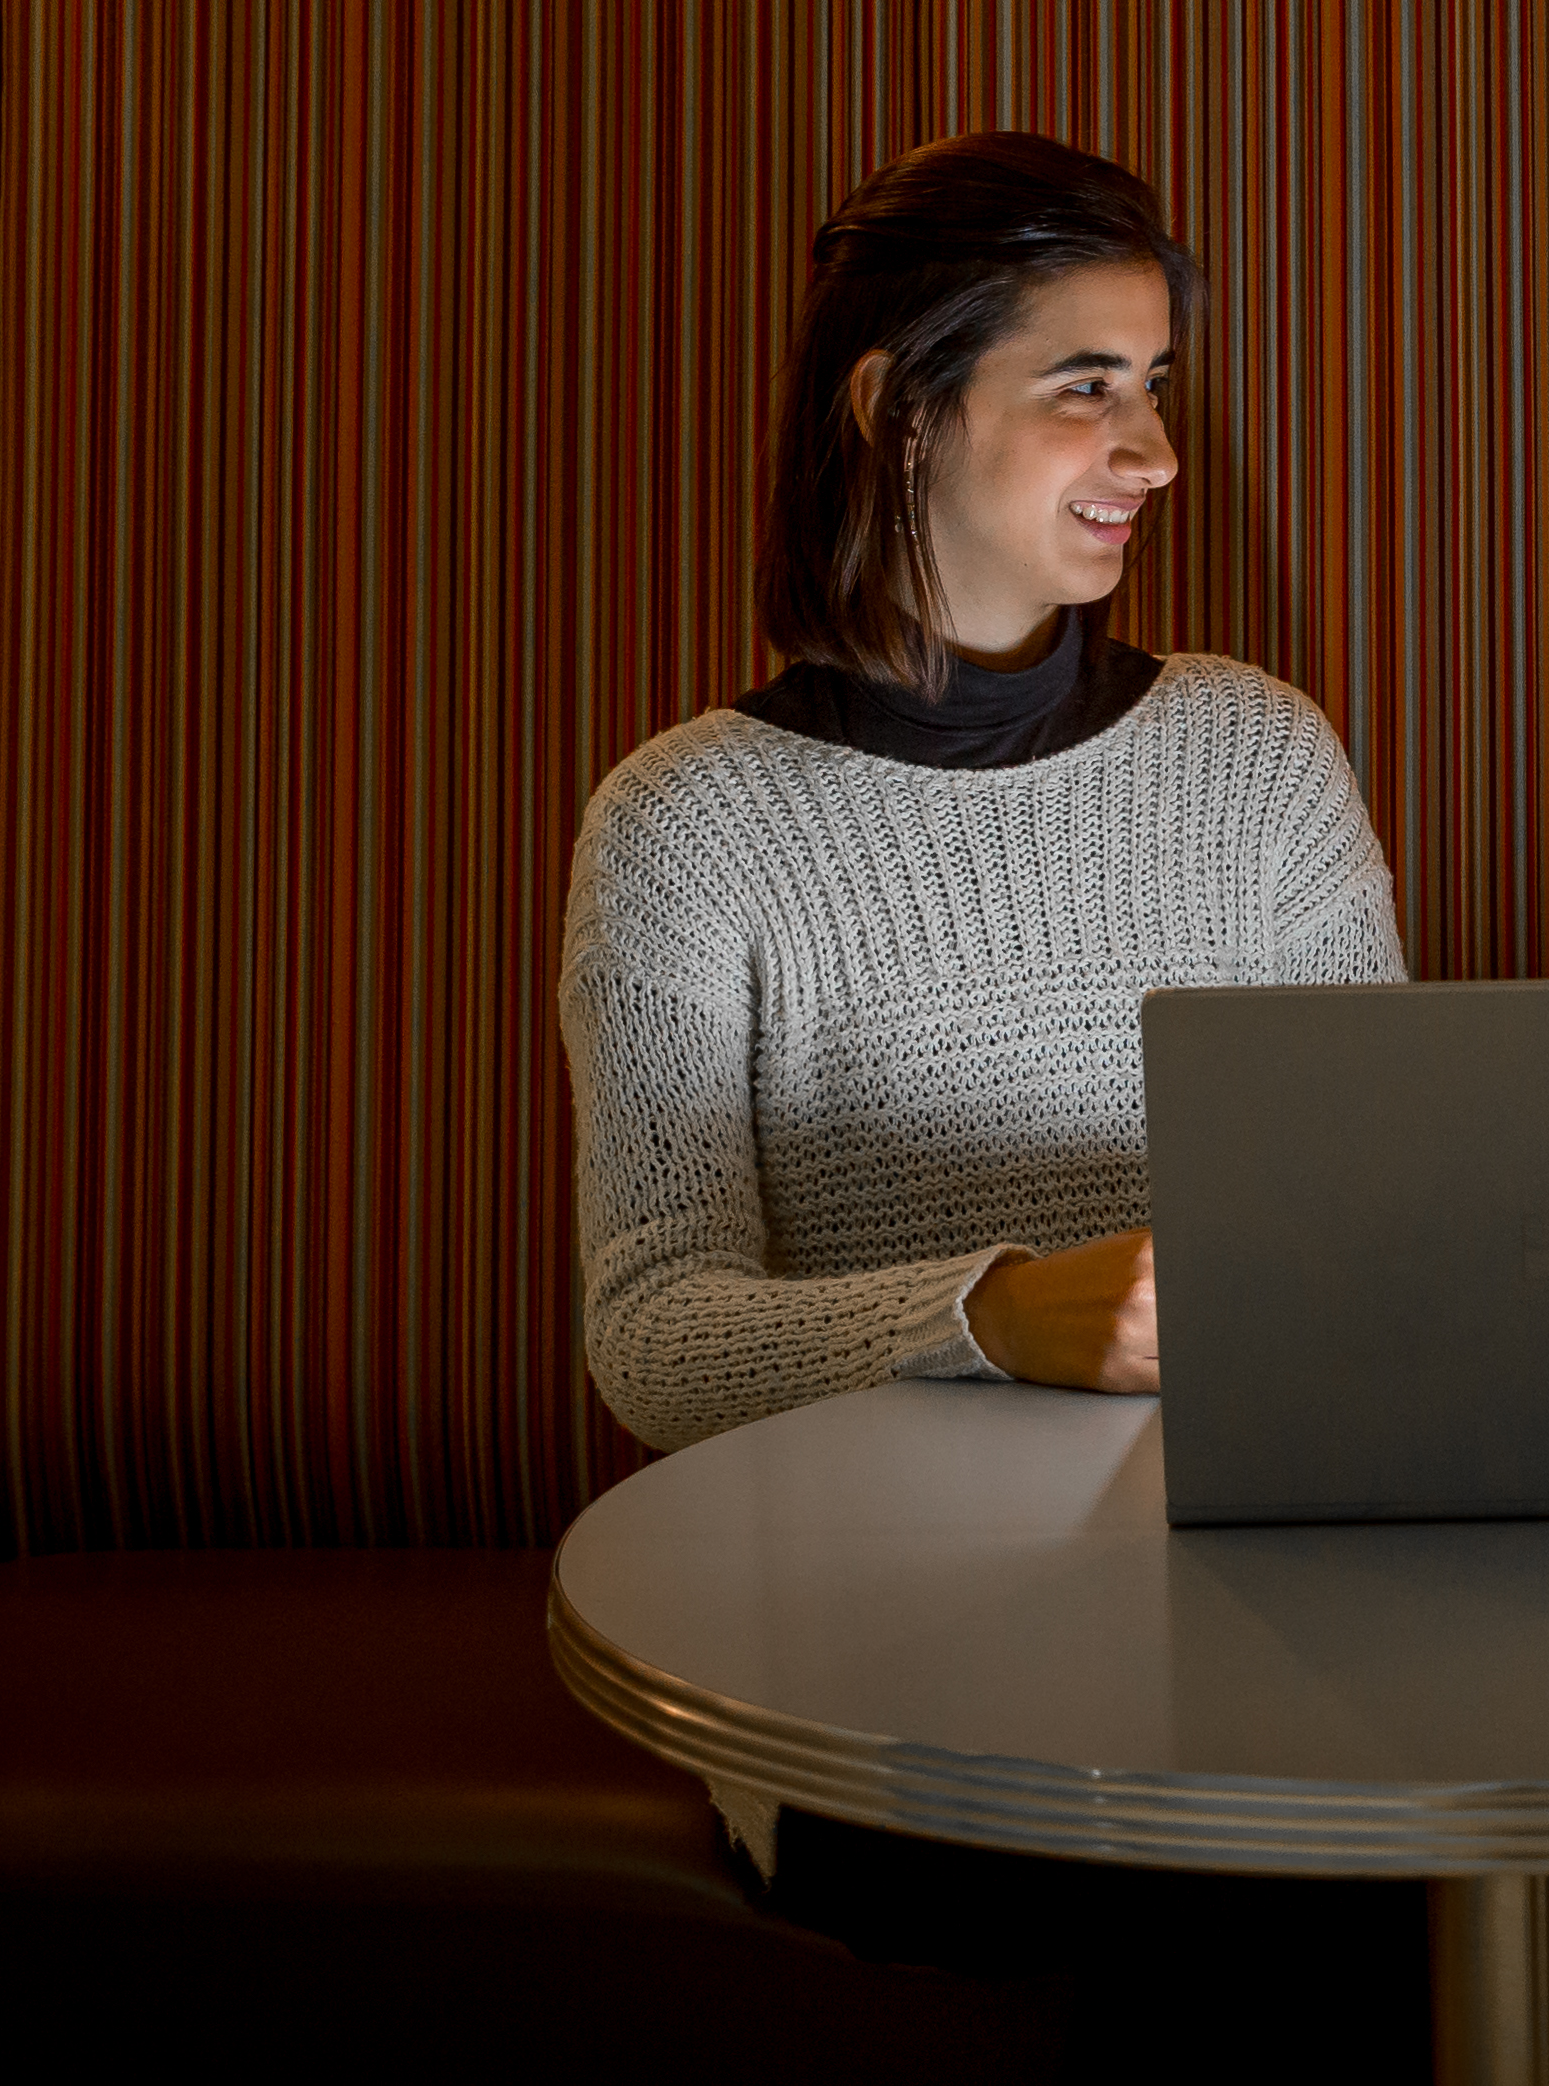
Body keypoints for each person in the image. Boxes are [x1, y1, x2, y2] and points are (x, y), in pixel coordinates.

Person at [555, 129, 1412, 2018]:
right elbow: (658, 1333)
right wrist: (991, 1319)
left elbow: (1383, 1233)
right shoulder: (687, 824)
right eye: (1086, 386)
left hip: (1263, 1610)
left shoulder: (1259, 762)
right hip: (881, 1637)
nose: (1158, 453)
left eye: (1158, 387)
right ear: (900, 409)